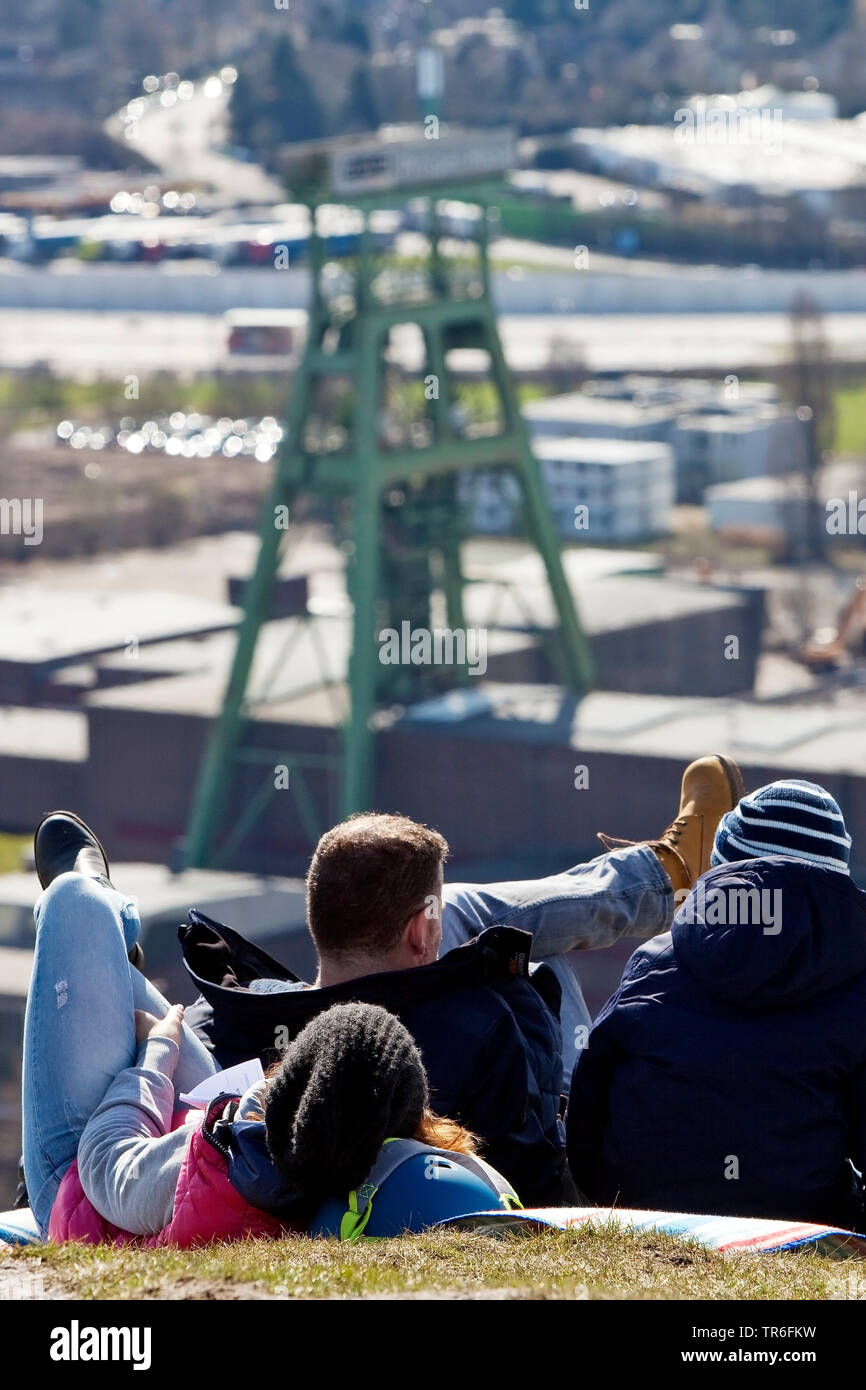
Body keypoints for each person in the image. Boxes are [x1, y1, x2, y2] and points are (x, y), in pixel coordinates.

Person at [177, 755, 742, 1206]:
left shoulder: (227, 1018)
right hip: (560, 1168)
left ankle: (669, 875)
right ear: (424, 935)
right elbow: (537, 1176)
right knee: (537, 956)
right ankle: (673, 881)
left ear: (314, 917)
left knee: (470, 910)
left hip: (322, 1002)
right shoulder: (488, 1020)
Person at [21, 823, 516, 1245]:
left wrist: (156, 1054)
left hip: (82, 1199)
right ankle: (109, 954)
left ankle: (112, 924)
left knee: (73, 903)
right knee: (99, 973)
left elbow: (108, 1165)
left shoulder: (234, 1152)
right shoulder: (377, 1154)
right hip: (204, 1150)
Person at [566, 779, 866, 1230]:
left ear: (722, 867)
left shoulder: (656, 959)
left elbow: (590, 1104)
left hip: (643, 1212)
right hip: (801, 1223)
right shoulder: (856, 984)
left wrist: (606, 1193)